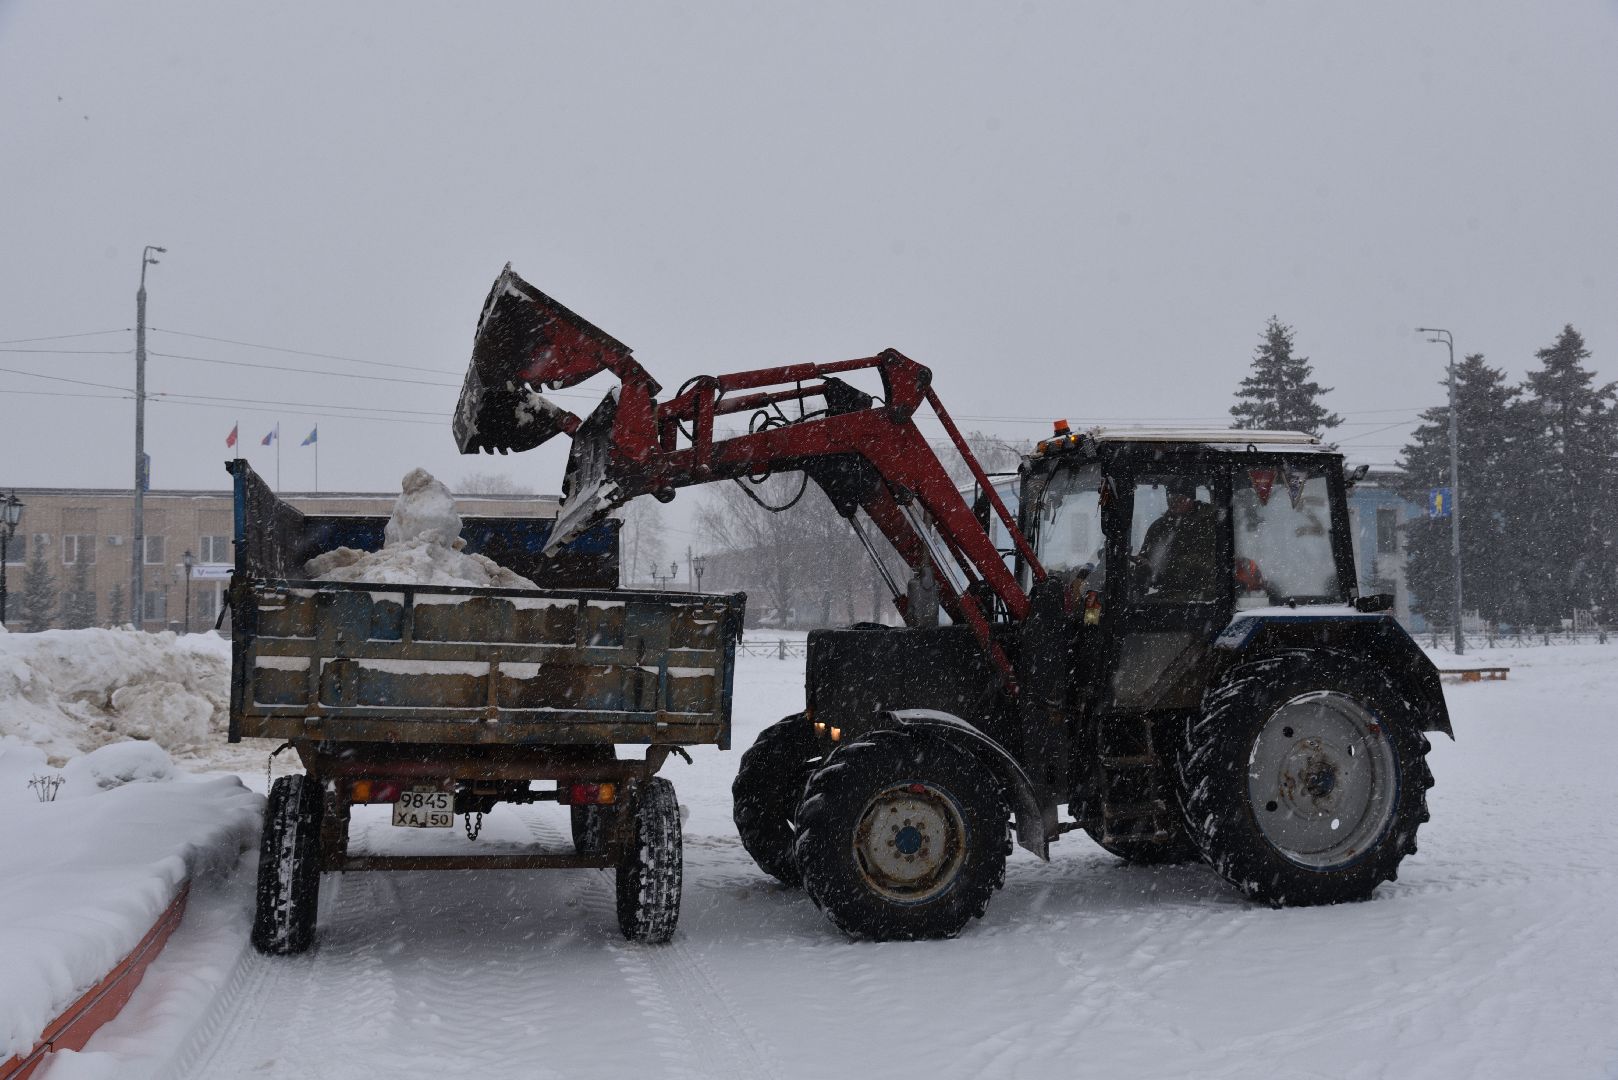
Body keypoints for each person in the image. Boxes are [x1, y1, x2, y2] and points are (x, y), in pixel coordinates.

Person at [1136, 478, 1217, 598]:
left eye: (1179, 498)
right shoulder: (1158, 527)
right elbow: (1145, 556)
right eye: (1170, 498)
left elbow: (1212, 560)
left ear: (1191, 500)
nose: (1173, 502)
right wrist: (1144, 566)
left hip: (1205, 594)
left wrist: (1169, 566)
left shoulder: (1210, 524)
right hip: (1169, 591)